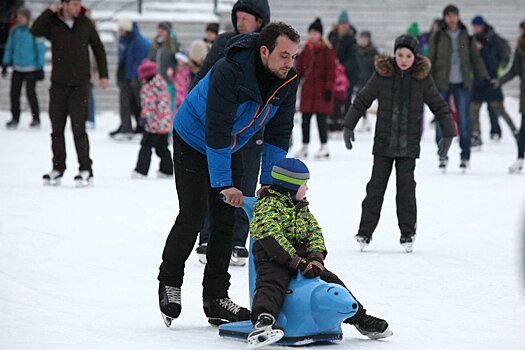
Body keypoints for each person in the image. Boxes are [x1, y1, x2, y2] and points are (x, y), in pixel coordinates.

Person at [157, 22, 300, 327]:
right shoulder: (230, 70)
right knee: (195, 212)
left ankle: (216, 298)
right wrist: (224, 184)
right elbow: (217, 129)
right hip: (193, 138)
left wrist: (270, 184)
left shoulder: (286, 81)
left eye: (293, 56)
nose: (290, 63)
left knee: (226, 219)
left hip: (231, 142)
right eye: (284, 55)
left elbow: (278, 134)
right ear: (265, 51)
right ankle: (170, 280)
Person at [247, 158, 393, 347]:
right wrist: (297, 262)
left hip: (303, 260)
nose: (306, 189)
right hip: (272, 258)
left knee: (331, 280)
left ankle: (359, 318)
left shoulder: (302, 208)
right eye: (303, 185)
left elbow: (315, 234)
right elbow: (272, 239)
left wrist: (316, 259)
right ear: (290, 186)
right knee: (271, 283)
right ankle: (263, 321)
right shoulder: (267, 206)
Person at [343, 35, 457, 252]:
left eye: (408, 55)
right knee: (375, 188)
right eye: (400, 55)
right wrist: (349, 125)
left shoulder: (422, 79)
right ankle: (364, 232)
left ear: (415, 57)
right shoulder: (383, 75)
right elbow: (362, 100)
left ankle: (407, 233)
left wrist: (448, 133)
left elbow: (440, 107)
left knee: (406, 190)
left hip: (409, 147)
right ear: (394, 55)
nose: (404, 59)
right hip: (383, 145)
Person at [192, 0, 271, 265]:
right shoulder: (225, 42)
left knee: (246, 183)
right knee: (216, 178)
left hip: (252, 129)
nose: (241, 22)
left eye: (247, 17)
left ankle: (238, 240)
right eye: (238, 16)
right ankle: (207, 236)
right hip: (222, 125)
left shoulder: (268, 47)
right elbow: (203, 77)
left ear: (260, 21)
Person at [31, 0, 108, 187]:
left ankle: (85, 169)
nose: (77, 8)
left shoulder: (85, 23)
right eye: (73, 4)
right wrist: (49, 12)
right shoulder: (54, 24)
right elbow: (35, 30)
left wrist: (103, 75)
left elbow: (98, 48)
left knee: (79, 129)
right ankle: (58, 168)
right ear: (64, 5)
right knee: (56, 129)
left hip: (80, 86)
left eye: (78, 4)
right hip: (58, 86)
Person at [427, 4, 489, 171]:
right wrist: (424, 76)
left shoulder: (465, 36)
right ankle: (442, 155)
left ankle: (465, 155)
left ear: (458, 17)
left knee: (464, 119)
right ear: (445, 18)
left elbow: (475, 58)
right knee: (442, 119)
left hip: (463, 83)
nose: (451, 18)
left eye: (454, 15)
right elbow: (429, 58)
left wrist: (484, 76)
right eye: (448, 15)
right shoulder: (438, 36)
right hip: (442, 83)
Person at [470, 15, 517, 148]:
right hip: (479, 83)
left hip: (490, 82)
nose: (475, 28)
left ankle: (515, 133)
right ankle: (476, 135)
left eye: (477, 26)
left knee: (499, 110)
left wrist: (497, 74)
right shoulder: (475, 39)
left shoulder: (492, 39)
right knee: (473, 111)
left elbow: (495, 61)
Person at [294, 18, 335, 159]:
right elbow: (298, 70)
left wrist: (329, 89)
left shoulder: (326, 51)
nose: (313, 35)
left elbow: (331, 72)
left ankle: (324, 146)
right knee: (305, 119)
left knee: (321, 120)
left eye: (315, 32)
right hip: (308, 91)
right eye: (311, 32)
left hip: (321, 92)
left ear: (320, 35)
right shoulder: (305, 50)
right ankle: (305, 146)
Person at [2, 7, 45, 129]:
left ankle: (35, 118)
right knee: (14, 94)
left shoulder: (34, 30)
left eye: (22, 17)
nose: (19, 19)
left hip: (31, 68)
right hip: (17, 68)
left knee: (30, 94)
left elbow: (40, 49)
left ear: (27, 18)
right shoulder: (14, 31)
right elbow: (9, 47)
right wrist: (5, 63)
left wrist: (40, 67)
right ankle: (15, 118)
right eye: (18, 17)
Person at [131, 59, 173, 178]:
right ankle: (167, 169)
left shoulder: (148, 88)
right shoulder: (161, 84)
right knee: (162, 147)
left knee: (146, 146)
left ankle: (141, 170)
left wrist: (144, 117)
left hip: (154, 124)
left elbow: (149, 105)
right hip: (164, 122)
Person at [109, 18, 150, 140]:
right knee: (125, 104)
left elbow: (138, 62)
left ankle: (141, 126)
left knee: (137, 104)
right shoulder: (123, 40)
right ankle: (126, 126)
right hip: (124, 77)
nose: (120, 31)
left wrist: (135, 77)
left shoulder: (139, 42)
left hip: (135, 78)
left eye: (122, 29)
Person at [498, 20, 525, 174]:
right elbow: (514, 69)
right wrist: (500, 81)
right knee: (523, 129)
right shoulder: (521, 47)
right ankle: (520, 158)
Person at [327, 10, 358, 131]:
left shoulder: (351, 40)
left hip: (347, 75)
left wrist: (342, 67)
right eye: (342, 24)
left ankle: (345, 123)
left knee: (346, 99)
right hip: (333, 73)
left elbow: (353, 58)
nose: (344, 27)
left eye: (346, 24)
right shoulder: (332, 37)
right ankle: (332, 123)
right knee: (333, 99)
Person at [148, 21, 178, 113]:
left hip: (167, 82)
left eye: (163, 30)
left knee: (167, 108)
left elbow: (176, 61)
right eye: (159, 30)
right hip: (154, 82)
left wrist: (172, 69)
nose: (160, 32)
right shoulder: (154, 46)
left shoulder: (172, 46)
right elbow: (150, 60)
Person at [354, 30, 378, 132]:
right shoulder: (356, 51)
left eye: (365, 39)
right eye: (362, 38)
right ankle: (364, 119)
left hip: (370, 80)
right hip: (360, 80)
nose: (363, 41)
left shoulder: (373, 52)